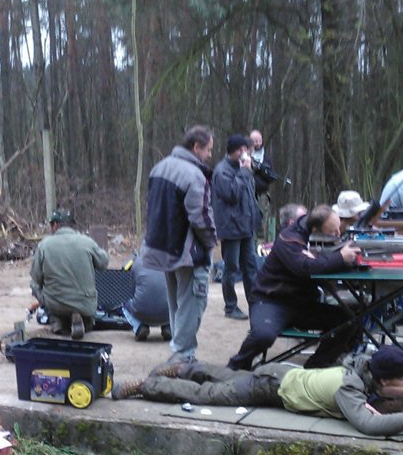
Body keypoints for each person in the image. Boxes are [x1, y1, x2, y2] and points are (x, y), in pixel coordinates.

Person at [113, 347, 403, 437]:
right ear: (384, 380)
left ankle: (185, 368)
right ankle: (148, 385)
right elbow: (368, 425)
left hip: (281, 375)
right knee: (211, 395)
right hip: (271, 387)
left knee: (231, 378)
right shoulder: (349, 387)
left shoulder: (363, 369)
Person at [228, 204, 361, 371]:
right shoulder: (289, 239)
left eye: (338, 229)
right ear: (316, 230)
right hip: (271, 301)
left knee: (349, 320)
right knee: (263, 335)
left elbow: (320, 263)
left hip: (303, 304)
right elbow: (305, 268)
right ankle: (235, 368)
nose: (338, 235)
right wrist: (339, 257)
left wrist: (344, 257)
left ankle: (316, 367)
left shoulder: (316, 237)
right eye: (332, 232)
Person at [141, 125, 218, 364]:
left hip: (163, 248)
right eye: (208, 150)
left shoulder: (159, 167)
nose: (210, 155)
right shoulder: (194, 175)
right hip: (187, 252)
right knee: (192, 303)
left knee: (176, 304)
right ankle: (182, 357)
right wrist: (211, 242)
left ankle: (178, 353)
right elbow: (200, 217)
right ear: (196, 147)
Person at [29, 209, 110, 340]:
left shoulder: (44, 245)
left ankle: (57, 322)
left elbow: (36, 278)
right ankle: (86, 321)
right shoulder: (87, 242)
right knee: (85, 302)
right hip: (86, 302)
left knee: (33, 284)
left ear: (55, 225)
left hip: (57, 303)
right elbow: (103, 264)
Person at [212, 134, 261, 321]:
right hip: (231, 227)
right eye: (240, 149)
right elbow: (231, 194)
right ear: (232, 151)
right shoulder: (221, 171)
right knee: (231, 268)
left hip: (246, 226)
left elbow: (250, 195)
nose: (244, 153)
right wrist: (244, 172)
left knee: (250, 267)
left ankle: (255, 303)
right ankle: (230, 306)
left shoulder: (244, 169)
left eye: (245, 149)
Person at [121, 251, 173, 342]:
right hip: (168, 312)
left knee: (124, 306)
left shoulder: (137, 261)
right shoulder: (170, 260)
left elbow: (132, 292)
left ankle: (139, 327)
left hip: (141, 312)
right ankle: (168, 327)